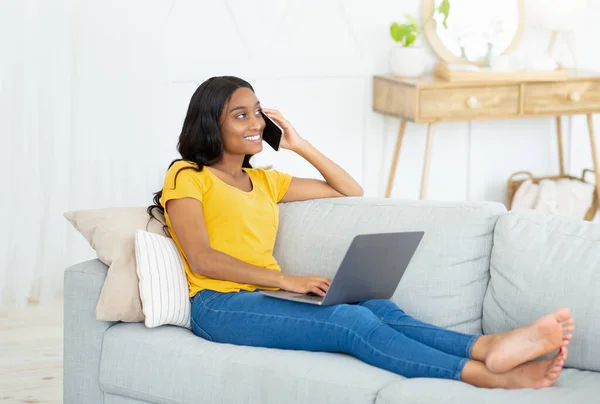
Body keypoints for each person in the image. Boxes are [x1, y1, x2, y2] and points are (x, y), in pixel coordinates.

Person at [148, 76, 575, 389]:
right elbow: (202, 257)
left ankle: (486, 347)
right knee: (349, 321)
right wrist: (286, 280)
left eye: (257, 111)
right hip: (218, 306)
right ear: (211, 125)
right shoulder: (188, 175)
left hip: (264, 297)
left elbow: (348, 189)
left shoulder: (265, 182)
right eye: (239, 115)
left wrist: (299, 144)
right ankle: (489, 377)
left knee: (378, 307)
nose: (254, 122)